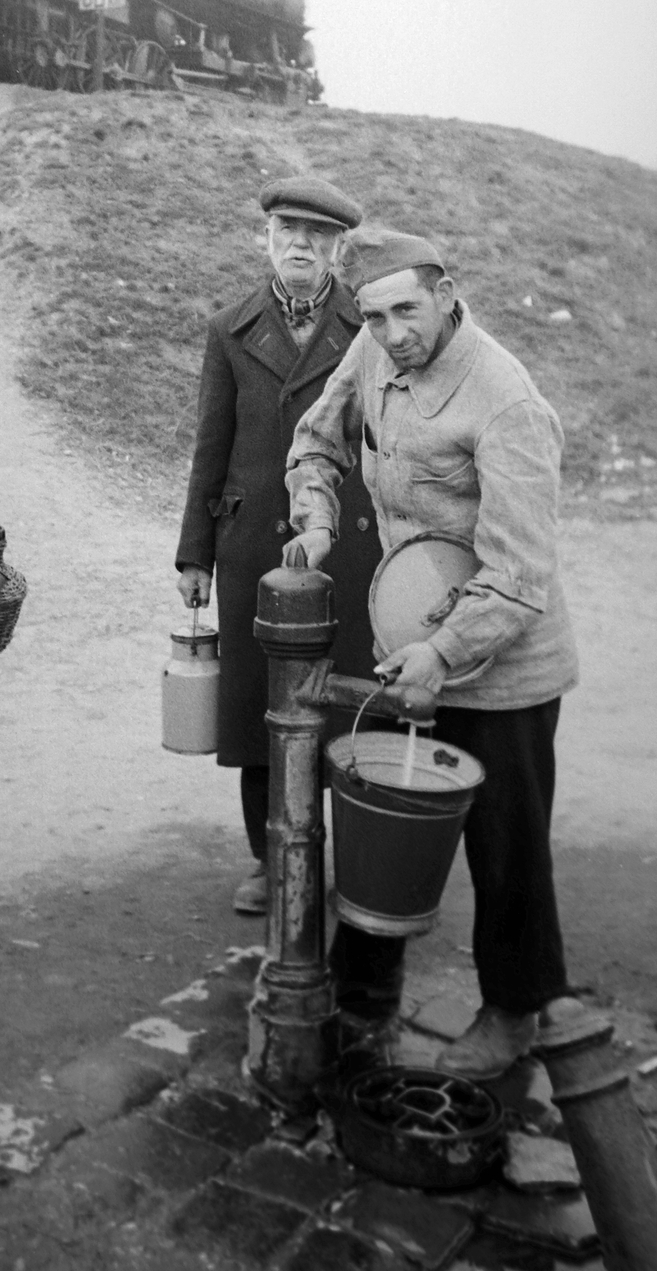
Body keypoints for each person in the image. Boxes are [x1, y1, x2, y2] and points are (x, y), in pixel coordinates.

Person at [284, 225, 582, 1078]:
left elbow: (521, 574)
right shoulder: (374, 354)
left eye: (406, 310)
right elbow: (318, 437)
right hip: (410, 637)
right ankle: (365, 998)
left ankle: (515, 1011)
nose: (390, 333)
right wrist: (317, 515)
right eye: (372, 316)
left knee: (505, 846)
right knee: (385, 816)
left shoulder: (508, 402)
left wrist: (445, 656)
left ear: (448, 292)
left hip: (505, 661)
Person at [174, 177, 382, 918]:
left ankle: (347, 858)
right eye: (288, 230)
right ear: (265, 238)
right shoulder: (230, 328)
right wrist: (195, 553)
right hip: (250, 550)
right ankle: (269, 859)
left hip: (344, 550)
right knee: (258, 711)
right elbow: (211, 445)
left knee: (344, 704)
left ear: (339, 249)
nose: (301, 244)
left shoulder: (369, 326)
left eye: (318, 236)